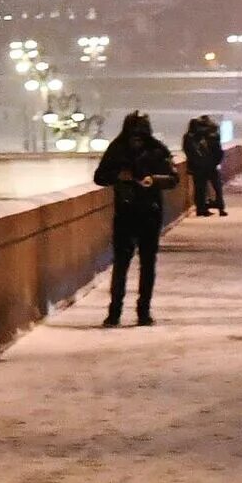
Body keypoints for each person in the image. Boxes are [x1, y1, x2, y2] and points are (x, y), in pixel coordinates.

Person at [92, 112, 179, 327]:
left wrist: (154, 180)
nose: (136, 139)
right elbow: (99, 176)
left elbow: (173, 178)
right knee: (122, 264)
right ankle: (115, 312)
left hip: (149, 211)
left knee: (147, 264)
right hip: (126, 212)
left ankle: (143, 311)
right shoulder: (118, 149)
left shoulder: (157, 150)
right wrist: (118, 176)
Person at [184, 115, 227, 217]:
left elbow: (191, 152)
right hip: (206, 166)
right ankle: (213, 208)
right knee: (212, 188)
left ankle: (204, 208)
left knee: (202, 188)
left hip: (202, 166)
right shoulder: (203, 136)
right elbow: (218, 151)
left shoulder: (196, 137)